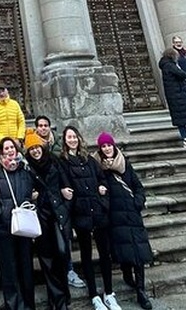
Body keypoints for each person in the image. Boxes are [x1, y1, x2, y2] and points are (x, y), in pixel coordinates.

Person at [60, 126, 121, 310]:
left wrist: (103, 198)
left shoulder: (89, 159)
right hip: (81, 214)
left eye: (74, 136)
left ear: (79, 138)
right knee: (86, 254)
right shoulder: (63, 161)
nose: (72, 140)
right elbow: (64, 184)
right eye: (69, 137)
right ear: (65, 140)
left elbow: (102, 179)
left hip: (98, 212)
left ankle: (108, 293)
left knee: (105, 254)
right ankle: (94, 294)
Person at [92, 133, 154, 310]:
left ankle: (141, 291)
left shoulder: (124, 164)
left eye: (109, 145)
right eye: (103, 147)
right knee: (124, 249)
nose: (107, 149)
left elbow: (138, 187)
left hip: (132, 214)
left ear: (113, 146)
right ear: (100, 149)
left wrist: (138, 202)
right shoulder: (98, 168)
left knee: (139, 251)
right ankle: (128, 275)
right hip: (115, 217)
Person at [0, 137, 36, 310]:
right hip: (4, 227)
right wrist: (0, 213)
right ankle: (14, 304)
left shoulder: (25, 170)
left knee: (26, 267)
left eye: (12, 147)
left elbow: (33, 190)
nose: (9, 151)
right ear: (1, 152)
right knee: (9, 269)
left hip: (24, 226)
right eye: (6, 148)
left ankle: (28, 304)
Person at [24, 132, 71, 310]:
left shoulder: (54, 162)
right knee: (47, 260)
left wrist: (65, 202)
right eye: (32, 148)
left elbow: (67, 186)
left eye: (37, 147)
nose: (36, 151)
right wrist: (33, 196)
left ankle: (63, 294)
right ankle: (58, 301)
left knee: (61, 252)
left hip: (58, 215)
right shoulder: (28, 169)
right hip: (41, 216)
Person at [159, 47, 186, 149]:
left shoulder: (166, 65)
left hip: (176, 95)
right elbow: (181, 74)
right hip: (177, 95)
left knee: (181, 118)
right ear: (172, 56)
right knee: (181, 118)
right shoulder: (169, 65)